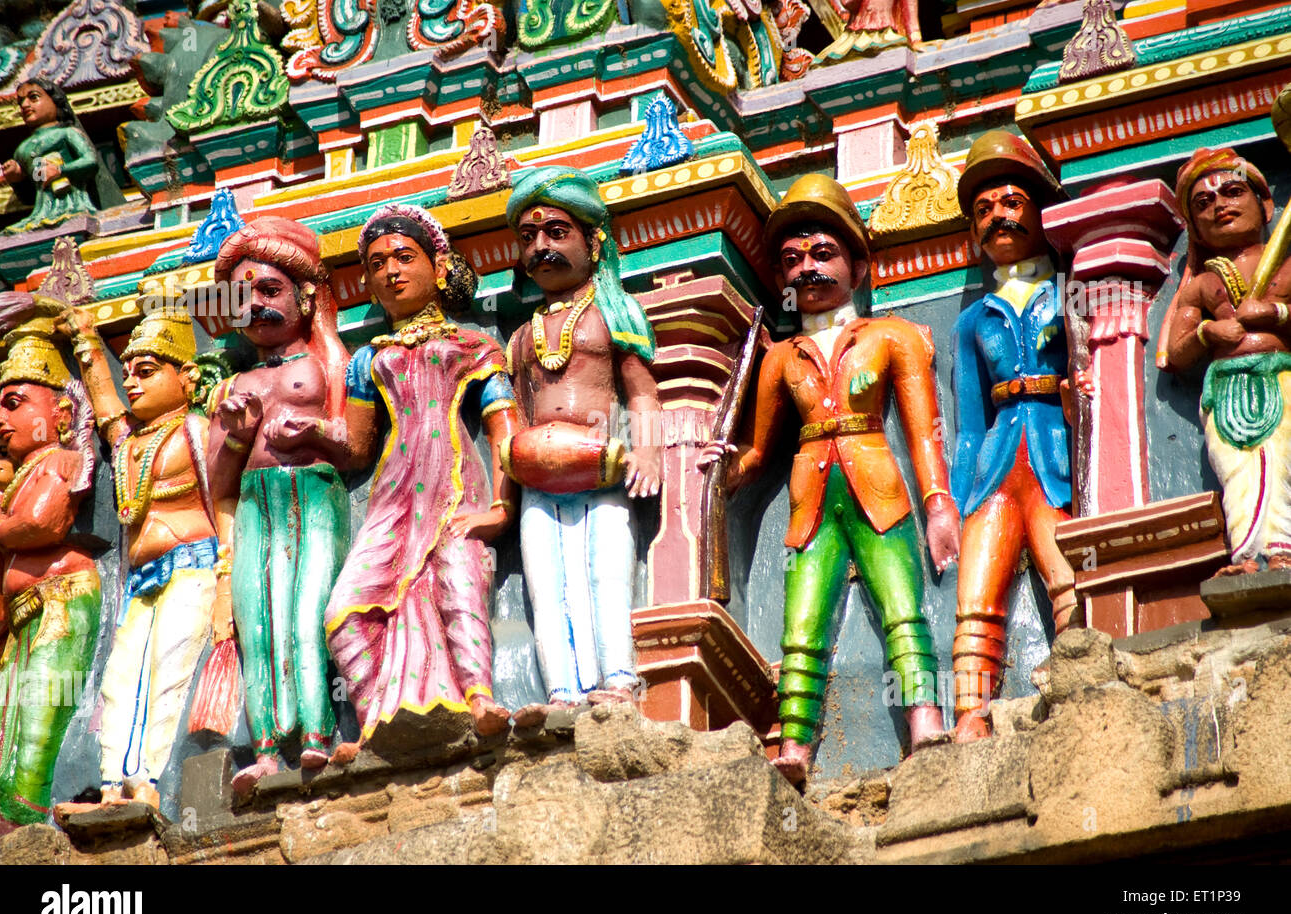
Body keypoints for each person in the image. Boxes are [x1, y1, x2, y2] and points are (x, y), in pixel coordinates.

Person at [700, 173, 960, 784]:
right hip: (809, 495)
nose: (807, 271)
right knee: (802, 623)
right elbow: (760, 451)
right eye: (792, 261)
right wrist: (721, 468)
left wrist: (939, 503)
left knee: (903, 606)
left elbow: (924, 433)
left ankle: (924, 717)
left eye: (823, 254)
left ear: (859, 265)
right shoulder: (778, 358)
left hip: (878, 484)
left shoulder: (892, 337)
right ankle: (794, 743)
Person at [324, 204, 517, 759]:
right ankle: (372, 719)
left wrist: (501, 507)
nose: (390, 271)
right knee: (347, 611)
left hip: (455, 479)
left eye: (405, 257)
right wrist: (306, 435)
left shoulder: (471, 344)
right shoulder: (368, 359)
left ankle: (478, 698)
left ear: (439, 267)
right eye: (377, 263)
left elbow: (503, 427)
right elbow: (356, 447)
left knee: (457, 583)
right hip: (393, 496)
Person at [502, 167, 662, 724]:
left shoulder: (613, 311)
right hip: (538, 474)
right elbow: (516, 410)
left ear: (593, 242)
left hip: (602, 464)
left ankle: (617, 677)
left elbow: (642, 393)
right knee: (545, 583)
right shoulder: (521, 334)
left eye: (555, 232)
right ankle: (563, 692)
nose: (541, 247)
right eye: (528, 237)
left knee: (605, 571)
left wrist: (647, 452)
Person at [207, 217, 352, 794]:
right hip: (253, 503)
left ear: (305, 296)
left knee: (309, 612)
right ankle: (266, 747)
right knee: (258, 624)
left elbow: (351, 440)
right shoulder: (233, 382)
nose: (256, 307)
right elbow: (218, 480)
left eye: (270, 291)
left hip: (312, 491)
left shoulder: (324, 363)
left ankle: (317, 734)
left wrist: (314, 430)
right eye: (243, 297)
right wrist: (239, 433)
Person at [61, 293, 217, 811]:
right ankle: (112, 785)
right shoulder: (130, 442)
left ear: (186, 377)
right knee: (119, 680)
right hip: (140, 581)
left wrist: (228, 579)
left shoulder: (194, 431)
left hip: (193, 568)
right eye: (128, 371)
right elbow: (106, 404)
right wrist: (84, 339)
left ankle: (149, 779)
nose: (131, 382)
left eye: (146, 371)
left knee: (169, 672)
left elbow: (225, 503)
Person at [949, 130, 1077, 742]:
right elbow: (969, 422)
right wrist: (953, 500)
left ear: (1038, 209)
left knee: (1067, 574)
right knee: (977, 593)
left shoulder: (1071, 290)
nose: (997, 216)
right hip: (997, 463)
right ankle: (970, 716)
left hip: (1053, 450)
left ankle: (1082, 681)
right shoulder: (973, 319)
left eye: (1010, 201)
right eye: (983, 209)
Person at [0, 314, 100, 828]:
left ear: (59, 414)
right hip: (24, 620)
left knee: (36, 726)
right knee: (1, 727)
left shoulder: (59, 460)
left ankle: (29, 822)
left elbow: (40, 523)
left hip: (61, 603)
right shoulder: (19, 476)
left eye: (14, 405)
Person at [1162, 148, 1291, 574]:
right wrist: (1207, 332)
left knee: (1283, 460)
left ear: (1265, 204)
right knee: (1239, 471)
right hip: (1226, 389)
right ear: (1195, 229)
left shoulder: (1286, 269)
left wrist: (1275, 314)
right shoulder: (1203, 285)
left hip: (1282, 377)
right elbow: (1176, 352)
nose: (1220, 205)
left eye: (1233, 191)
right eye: (1203, 203)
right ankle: (1248, 556)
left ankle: (1283, 550)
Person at [0, 79, 101, 234]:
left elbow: (90, 161)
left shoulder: (67, 133)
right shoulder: (23, 148)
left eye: (33, 98)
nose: (25, 105)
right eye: (21, 102)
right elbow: (30, 195)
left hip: (72, 203)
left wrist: (61, 170)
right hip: (41, 210)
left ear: (55, 101)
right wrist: (17, 178)